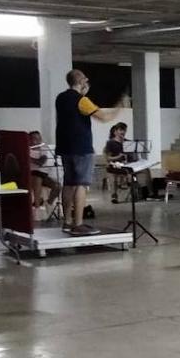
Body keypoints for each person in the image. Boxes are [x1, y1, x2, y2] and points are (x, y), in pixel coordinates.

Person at [55, 69, 123, 235]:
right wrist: (119, 108)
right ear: (80, 81)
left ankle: (67, 222)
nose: (87, 82)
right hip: (81, 147)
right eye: (85, 79)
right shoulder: (82, 101)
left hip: (65, 146)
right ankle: (78, 223)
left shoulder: (60, 98)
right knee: (81, 184)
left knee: (68, 184)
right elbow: (104, 117)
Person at [27, 130, 59, 211]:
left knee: (57, 186)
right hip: (29, 175)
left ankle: (48, 203)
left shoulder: (43, 148)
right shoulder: (25, 149)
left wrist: (28, 158)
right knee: (37, 177)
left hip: (43, 175)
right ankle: (37, 207)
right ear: (29, 140)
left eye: (39, 139)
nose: (37, 141)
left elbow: (41, 162)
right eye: (34, 138)